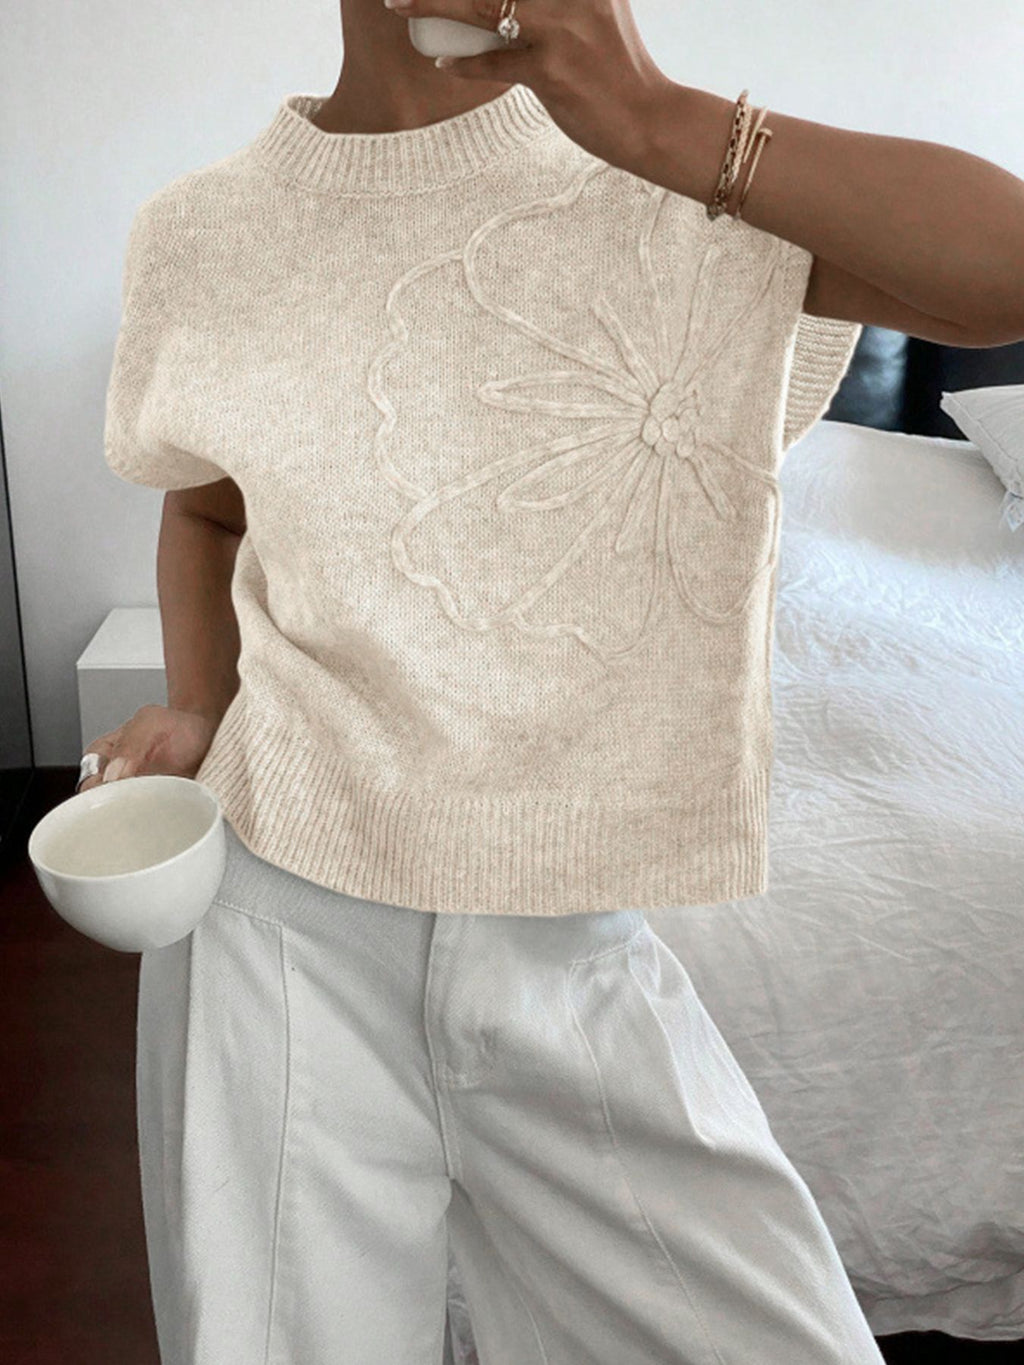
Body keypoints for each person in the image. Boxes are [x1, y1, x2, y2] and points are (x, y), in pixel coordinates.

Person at [84, 1, 1024, 1361]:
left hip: (567, 942)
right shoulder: (200, 233)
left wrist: (653, 116)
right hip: (276, 927)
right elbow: (207, 508)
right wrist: (198, 708)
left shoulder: (679, 186)